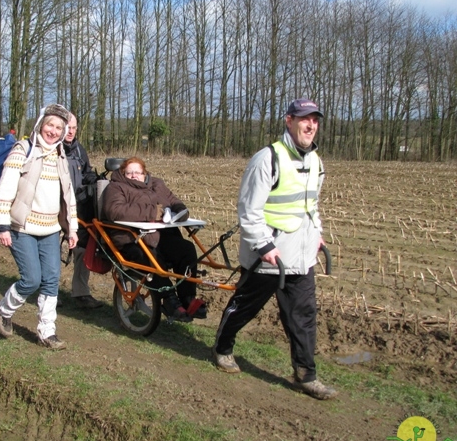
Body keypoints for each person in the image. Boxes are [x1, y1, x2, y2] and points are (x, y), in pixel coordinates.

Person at [212, 98, 337, 400]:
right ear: (289, 120)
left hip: (302, 255)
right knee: (244, 307)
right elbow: (249, 209)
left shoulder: (315, 162)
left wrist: (316, 235)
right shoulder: (267, 158)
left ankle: (306, 375)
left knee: (303, 316)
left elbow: (311, 207)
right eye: (305, 119)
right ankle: (222, 348)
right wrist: (264, 245)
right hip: (269, 257)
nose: (311, 126)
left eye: (315, 121)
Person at [0, 104, 78, 350]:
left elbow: (68, 196)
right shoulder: (23, 150)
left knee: (51, 281)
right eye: (50, 124)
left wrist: (72, 229)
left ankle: (47, 333)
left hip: (51, 229)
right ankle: (5, 310)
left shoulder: (61, 155)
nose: (53, 130)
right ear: (41, 124)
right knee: (31, 280)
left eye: (59, 127)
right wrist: (2, 226)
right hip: (22, 227)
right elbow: (6, 187)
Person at [102, 157, 206, 322]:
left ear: (144, 173)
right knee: (152, 258)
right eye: (130, 173)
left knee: (186, 249)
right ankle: (169, 299)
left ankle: (188, 298)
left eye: (138, 172)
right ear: (123, 173)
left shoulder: (157, 184)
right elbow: (115, 211)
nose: (134, 176)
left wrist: (180, 210)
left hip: (158, 236)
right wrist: (152, 212)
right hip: (131, 239)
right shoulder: (116, 187)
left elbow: (173, 200)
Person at [62, 113, 104, 309]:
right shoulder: (51, 148)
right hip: (56, 206)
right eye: (67, 127)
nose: (71, 132)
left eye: (74, 128)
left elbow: (86, 172)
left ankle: (81, 293)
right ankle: (48, 294)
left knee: (82, 247)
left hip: (78, 207)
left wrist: (97, 181)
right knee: (50, 251)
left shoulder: (79, 150)